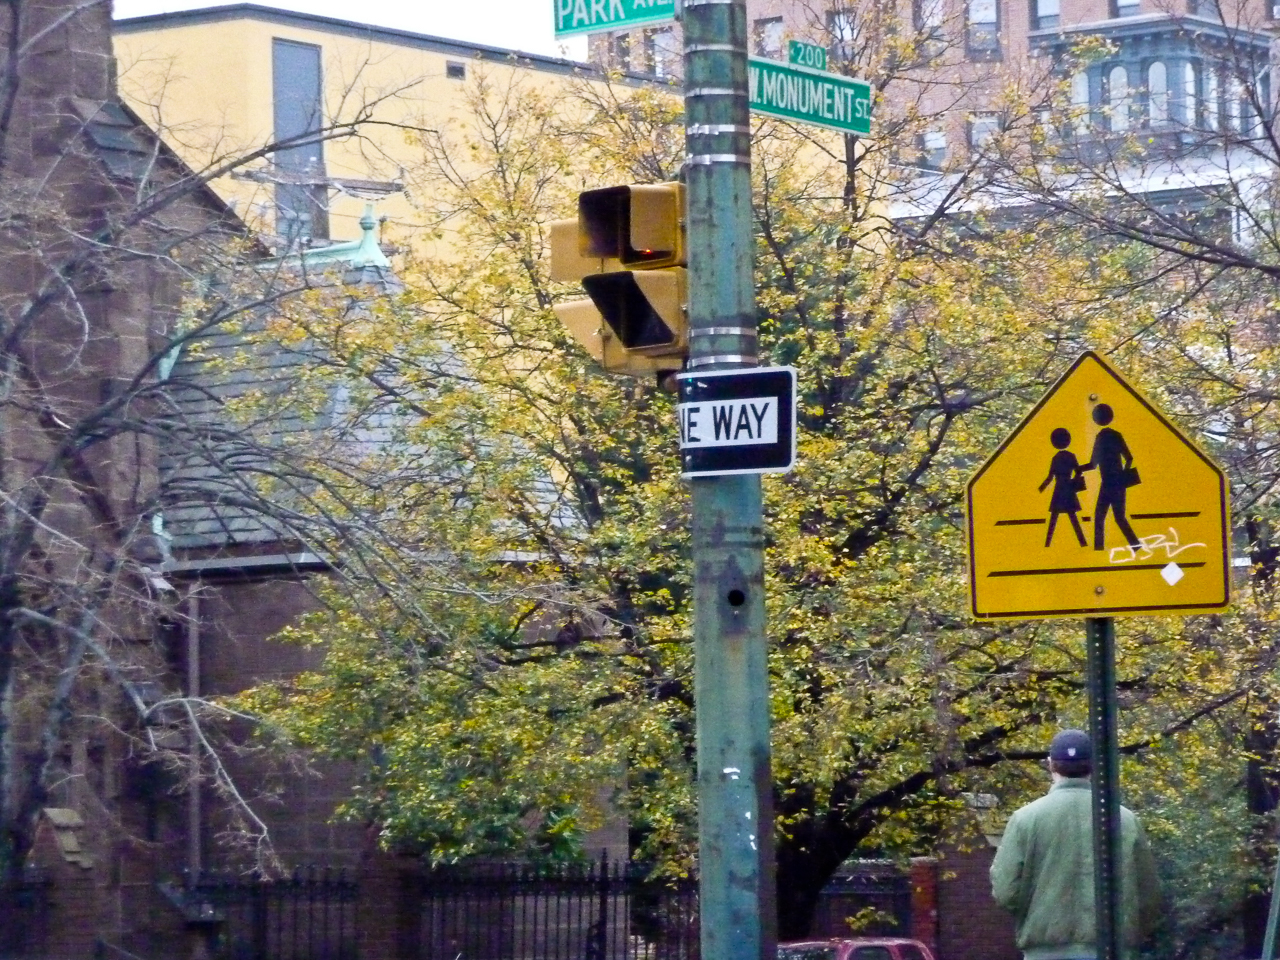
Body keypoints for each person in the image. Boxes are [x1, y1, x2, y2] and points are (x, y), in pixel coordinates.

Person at [990, 729, 1161, 960]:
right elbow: (1148, 895)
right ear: (1093, 766)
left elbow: (1006, 891)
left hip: (1046, 952)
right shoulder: (1125, 819)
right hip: (1113, 950)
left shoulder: (1025, 819)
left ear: (1051, 765)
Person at [1079, 404, 1141, 552]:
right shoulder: (1116, 435)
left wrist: (1079, 469)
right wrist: (1123, 476)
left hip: (1108, 484)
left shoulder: (1101, 437)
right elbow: (1129, 458)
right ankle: (1135, 546)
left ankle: (1100, 549)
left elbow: (1093, 464)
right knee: (1118, 517)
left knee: (1100, 517)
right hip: (1117, 483)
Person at [1038, 427, 1087, 548]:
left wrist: (1041, 488)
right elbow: (1078, 471)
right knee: (1069, 516)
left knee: (1058, 517)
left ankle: (1048, 544)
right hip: (1067, 489)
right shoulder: (1070, 456)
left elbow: (1050, 477)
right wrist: (1074, 482)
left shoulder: (1056, 458)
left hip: (1060, 489)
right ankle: (1082, 542)